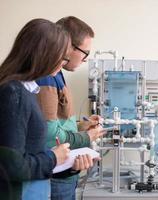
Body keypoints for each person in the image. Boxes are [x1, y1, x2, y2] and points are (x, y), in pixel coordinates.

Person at [0, 18, 87, 200]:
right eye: (62, 58)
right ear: (44, 54)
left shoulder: (27, 91)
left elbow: (31, 157)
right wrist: (53, 157)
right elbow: (12, 167)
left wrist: (68, 166)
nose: (63, 63)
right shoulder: (13, 93)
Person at [36, 16, 105, 200]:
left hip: (64, 176)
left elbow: (56, 122)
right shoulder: (47, 77)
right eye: (85, 53)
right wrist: (86, 137)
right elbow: (51, 135)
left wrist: (80, 126)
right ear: (68, 46)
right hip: (54, 180)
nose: (85, 60)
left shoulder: (57, 74)